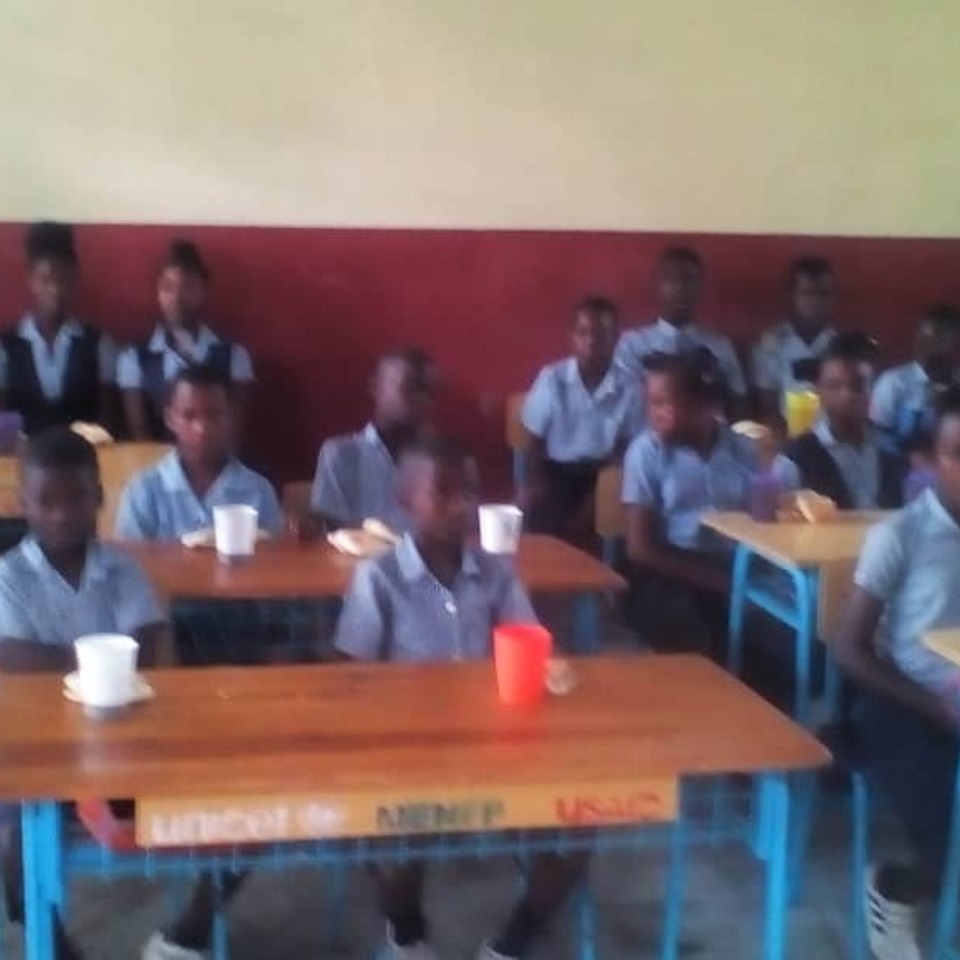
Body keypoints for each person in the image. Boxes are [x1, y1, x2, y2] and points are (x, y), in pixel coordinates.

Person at [335, 435, 587, 960]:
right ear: (405, 499)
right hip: (407, 751)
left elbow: (529, 646)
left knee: (582, 825)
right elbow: (354, 683)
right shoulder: (376, 578)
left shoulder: (496, 574)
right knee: (394, 842)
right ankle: (406, 931)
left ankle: (511, 942)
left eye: (469, 491)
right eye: (444, 493)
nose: (463, 506)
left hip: (498, 744)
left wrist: (550, 656)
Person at [0, 429, 167, 960]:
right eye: (46, 502)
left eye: (77, 497)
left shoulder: (124, 568)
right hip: (38, 746)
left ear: (99, 498)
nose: (63, 513)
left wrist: (58, 659)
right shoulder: (8, 578)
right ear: (22, 505)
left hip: (123, 743)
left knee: (228, 812)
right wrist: (105, 659)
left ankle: (188, 930)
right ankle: (45, 935)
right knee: (14, 839)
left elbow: (147, 649)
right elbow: (20, 667)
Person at [833, 389, 960, 960]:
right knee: (950, 829)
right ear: (931, 461)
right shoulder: (902, 535)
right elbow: (850, 648)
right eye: (957, 453)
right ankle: (896, 888)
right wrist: (936, 707)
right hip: (904, 703)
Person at [621, 350, 798, 653]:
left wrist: (775, 461)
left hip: (735, 562)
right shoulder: (646, 453)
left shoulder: (745, 451)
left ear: (707, 406)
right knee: (694, 638)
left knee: (784, 631)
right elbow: (640, 549)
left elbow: (781, 497)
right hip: (669, 566)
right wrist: (721, 583)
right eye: (651, 403)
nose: (654, 414)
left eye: (665, 403)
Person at [520, 295, 643, 538]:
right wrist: (533, 481)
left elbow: (627, 446)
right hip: (556, 471)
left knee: (598, 522)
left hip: (604, 472)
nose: (591, 341)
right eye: (583, 332)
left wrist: (600, 491)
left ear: (616, 339)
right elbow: (533, 438)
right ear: (572, 337)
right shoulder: (553, 379)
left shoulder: (630, 387)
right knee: (545, 527)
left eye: (601, 334)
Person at [115, 364, 282, 540]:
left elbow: (276, 560)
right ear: (170, 419)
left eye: (214, 415)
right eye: (189, 416)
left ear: (231, 417)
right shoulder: (144, 490)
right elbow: (127, 562)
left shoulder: (258, 491)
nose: (201, 428)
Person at [117, 240, 255, 440]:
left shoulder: (235, 356)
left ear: (204, 290)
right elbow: (140, 434)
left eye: (188, 286)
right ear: (157, 291)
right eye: (167, 287)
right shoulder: (134, 357)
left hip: (217, 466)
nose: (177, 297)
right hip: (158, 465)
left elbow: (233, 435)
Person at [0, 221, 118, 435]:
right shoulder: (7, 345)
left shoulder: (98, 343)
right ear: (31, 281)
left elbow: (105, 421)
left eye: (64, 278)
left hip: (81, 458)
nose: (55, 289)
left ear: (75, 280)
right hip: (25, 460)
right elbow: (3, 419)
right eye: (45, 279)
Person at [308, 348, 438, 534]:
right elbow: (330, 531)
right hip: (354, 561)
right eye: (410, 387)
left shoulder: (438, 460)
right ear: (375, 387)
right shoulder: (343, 454)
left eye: (428, 391)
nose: (421, 399)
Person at [613, 246, 747, 418]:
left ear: (701, 288)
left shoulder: (720, 346)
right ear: (657, 286)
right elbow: (626, 407)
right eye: (671, 279)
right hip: (650, 439)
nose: (680, 288)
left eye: (689, 279)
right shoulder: (632, 345)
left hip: (708, 439)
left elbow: (740, 408)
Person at [785, 334, 904, 509]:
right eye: (834, 386)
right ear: (819, 391)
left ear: (872, 389)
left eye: (858, 385)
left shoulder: (891, 449)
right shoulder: (795, 457)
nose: (847, 396)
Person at [752, 255, 839, 421]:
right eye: (806, 293)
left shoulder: (840, 345)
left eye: (823, 294)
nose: (815, 301)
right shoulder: (771, 344)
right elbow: (767, 406)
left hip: (830, 436)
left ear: (833, 297)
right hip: (786, 433)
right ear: (791, 296)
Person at [870, 304, 960, 455]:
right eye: (923, 336)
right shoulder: (894, 382)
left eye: (939, 338)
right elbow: (876, 436)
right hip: (899, 469)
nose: (927, 344)